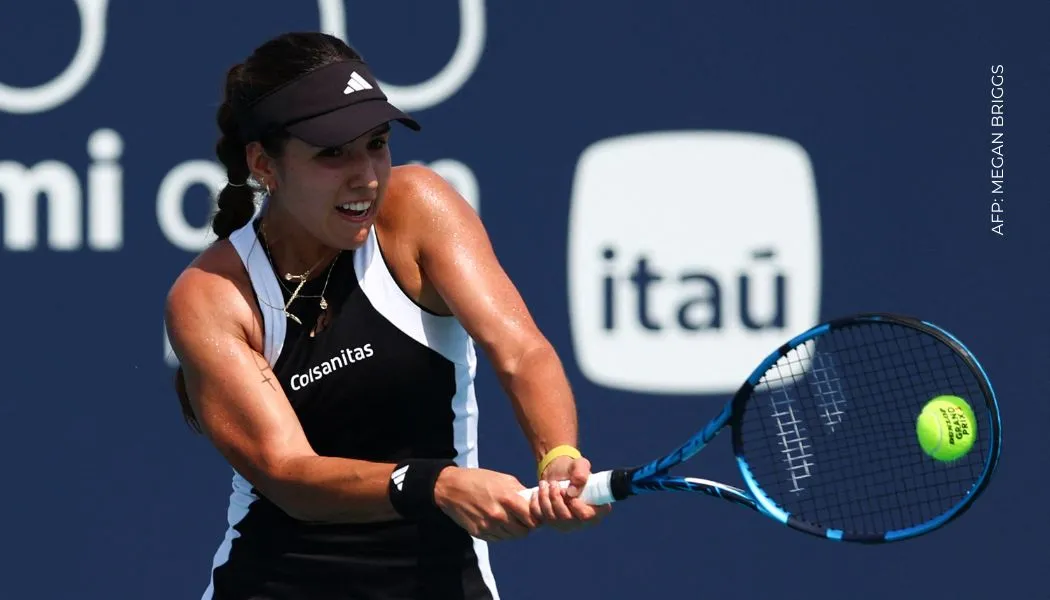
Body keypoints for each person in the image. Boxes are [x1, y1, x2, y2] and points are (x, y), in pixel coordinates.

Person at [164, 31, 610, 600]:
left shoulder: (419, 207)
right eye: (333, 153)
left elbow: (520, 350)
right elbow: (288, 473)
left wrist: (558, 456)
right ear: (265, 165)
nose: (367, 176)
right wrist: (438, 486)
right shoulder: (211, 295)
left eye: (376, 143)